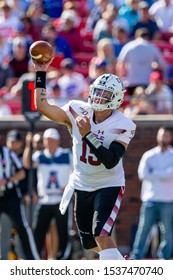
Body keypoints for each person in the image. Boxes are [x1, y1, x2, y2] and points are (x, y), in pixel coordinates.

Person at [32, 55, 136, 260]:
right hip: (82, 183)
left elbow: (110, 160)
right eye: (97, 92)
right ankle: (121, 264)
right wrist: (40, 73)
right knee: (89, 242)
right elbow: (43, 107)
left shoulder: (124, 124)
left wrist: (88, 134)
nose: (98, 97)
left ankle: (118, 272)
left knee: (101, 234)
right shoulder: (77, 110)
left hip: (109, 183)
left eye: (105, 94)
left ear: (115, 98)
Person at [23, 128, 73, 260]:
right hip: (44, 200)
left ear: (58, 141)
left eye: (52, 140)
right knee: (38, 231)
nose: (49, 143)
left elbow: (78, 173)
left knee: (63, 232)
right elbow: (27, 164)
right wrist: (28, 144)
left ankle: (63, 259)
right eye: (47, 140)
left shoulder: (67, 155)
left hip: (61, 200)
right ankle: (35, 260)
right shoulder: (40, 156)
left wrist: (69, 186)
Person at [130, 126, 173, 260]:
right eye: (161, 135)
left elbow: (170, 174)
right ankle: (136, 257)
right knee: (143, 230)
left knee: (167, 232)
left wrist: (153, 172)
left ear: (170, 137)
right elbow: (142, 174)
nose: (163, 138)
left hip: (167, 200)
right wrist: (162, 173)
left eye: (166, 135)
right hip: (149, 200)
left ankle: (164, 258)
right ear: (157, 136)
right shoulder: (148, 155)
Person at [0, 142, 40, 260]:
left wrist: (7, 180)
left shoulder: (8, 153)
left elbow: (22, 173)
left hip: (10, 195)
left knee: (22, 227)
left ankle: (32, 259)